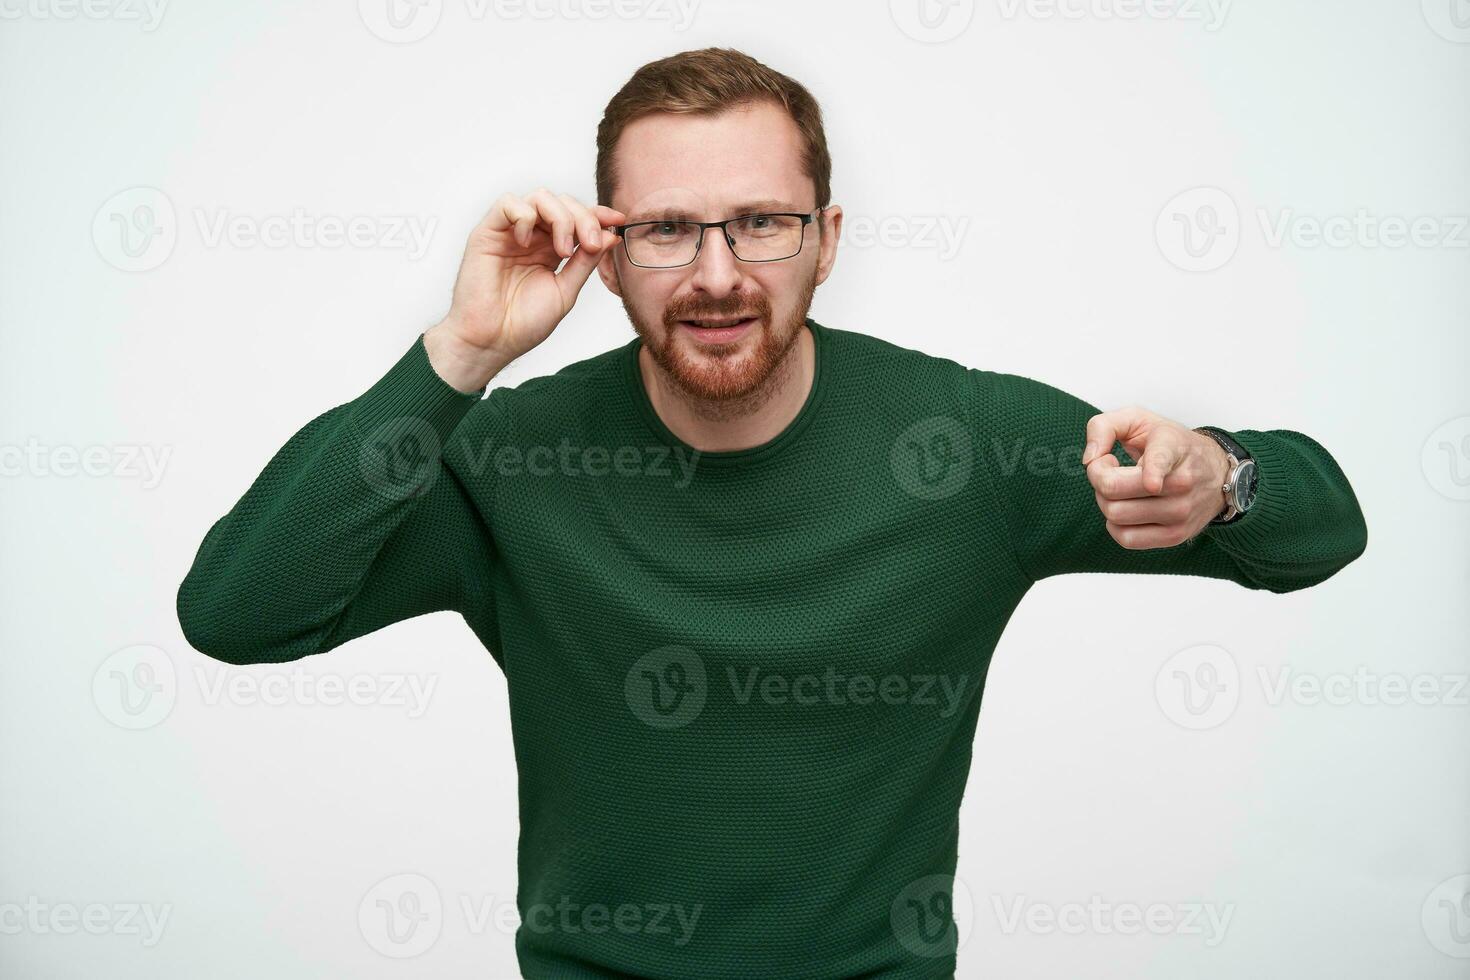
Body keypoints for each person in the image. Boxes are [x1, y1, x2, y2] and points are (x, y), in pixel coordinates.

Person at [176, 46, 1367, 980]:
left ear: (826, 240)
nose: (715, 273)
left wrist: (1227, 472)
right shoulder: (514, 456)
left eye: (761, 221)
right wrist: (456, 356)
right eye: (666, 229)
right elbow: (237, 610)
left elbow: (1323, 531)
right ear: (606, 248)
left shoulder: (962, 442)